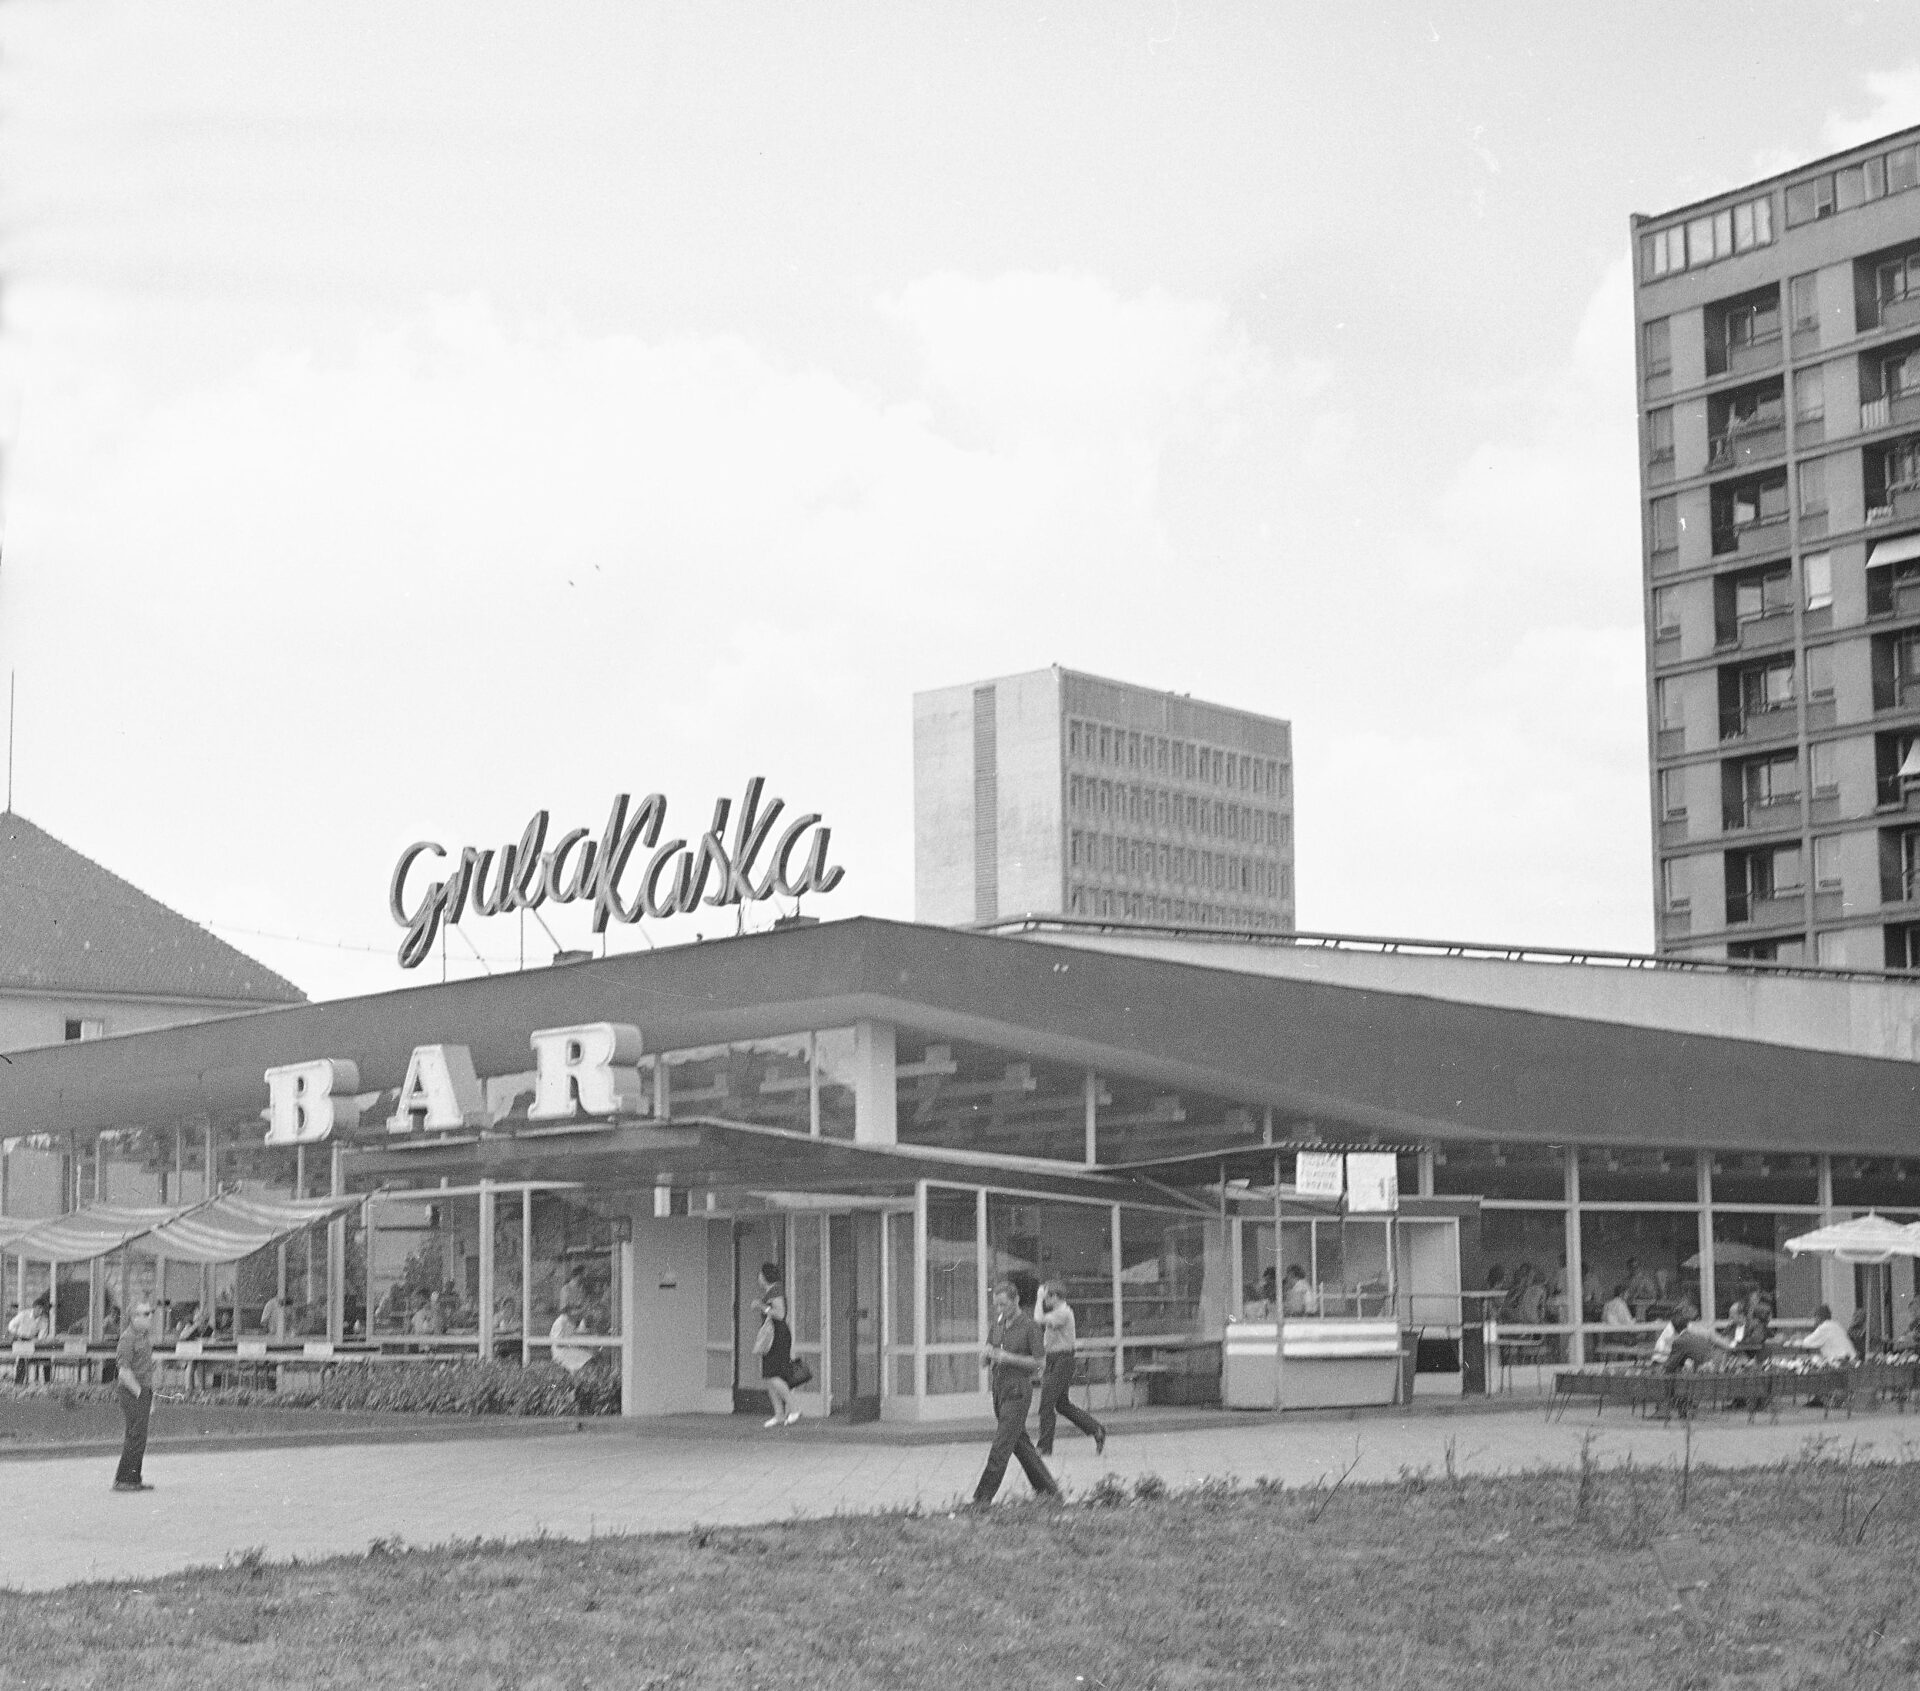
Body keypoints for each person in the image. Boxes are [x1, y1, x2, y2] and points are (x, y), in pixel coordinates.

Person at [971, 1274, 1058, 1506]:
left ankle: (981, 1499)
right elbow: (990, 1351)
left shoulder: (1029, 1327)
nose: (1000, 1309)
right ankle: (1050, 1492)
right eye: (996, 1305)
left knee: (1001, 1446)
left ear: (1016, 1300)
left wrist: (1008, 1357)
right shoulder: (998, 1324)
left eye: (1004, 1304)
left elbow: (1040, 1363)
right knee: (1021, 1446)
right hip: (999, 1391)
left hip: (1018, 1392)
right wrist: (985, 1357)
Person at [1035, 1282, 1106, 1459]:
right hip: (1054, 1359)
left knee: (1046, 1404)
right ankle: (1096, 1429)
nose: (1046, 1300)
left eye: (1048, 1297)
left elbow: (1038, 1319)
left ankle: (1044, 1447)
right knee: (1062, 1404)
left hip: (1062, 1360)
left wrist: (1038, 1297)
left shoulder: (1063, 1313)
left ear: (1056, 1297)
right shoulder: (1057, 1312)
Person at [113, 1301, 157, 1493]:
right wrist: (140, 1394)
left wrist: (149, 1396)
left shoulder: (144, 1337)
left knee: (139, 1436)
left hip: (142, 1390)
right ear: (134, 1317)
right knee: (135, 1436)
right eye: (145, 1314)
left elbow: (146, 1369)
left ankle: (133, 1478)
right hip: (132, 1391)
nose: (150, 1317)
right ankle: (124, 1479)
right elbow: (124, 1371)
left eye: (150, 1313)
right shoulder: (128, 1339)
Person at [751, 1263, 799, 1428]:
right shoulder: (771, 1291)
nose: (758, 1278)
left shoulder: (775, 1290)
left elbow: (780, 1313)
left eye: (760, 1274)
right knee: (768, 1375)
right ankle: (778, 1414)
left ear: (765, 1276)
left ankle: (793, 1408)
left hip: (777, 1336)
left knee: (773, 1374)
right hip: (773, 1336)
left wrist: (761, 1307)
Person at [1660, 1301, 1735, 1373]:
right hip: (1716, 1365)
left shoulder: (1681, 1340)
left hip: (1709, 1371)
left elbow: (1668, 1366)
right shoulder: (1695, 1335)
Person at [1791, 1303, 1857, 1363]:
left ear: (1820, 1317)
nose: (1814, 1319)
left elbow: (1807, 1342)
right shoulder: (1834, 1324)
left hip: (1844, 1360)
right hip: (1849, 1358)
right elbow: (1817, 1337)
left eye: (1815, 1317)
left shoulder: (1825, 1327)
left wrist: (1794, 1341)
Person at [548, 1308, 592, 1374]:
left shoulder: (570, 1320)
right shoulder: (561, 1322)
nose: (579, 1313)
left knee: (591, 1354)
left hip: (569, 1349)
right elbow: (558, 1343)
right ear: (570, 1311)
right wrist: (574, 1345)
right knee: (589, 1357)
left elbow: (571, 1334)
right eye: (577, 1310)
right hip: (561, 1352)